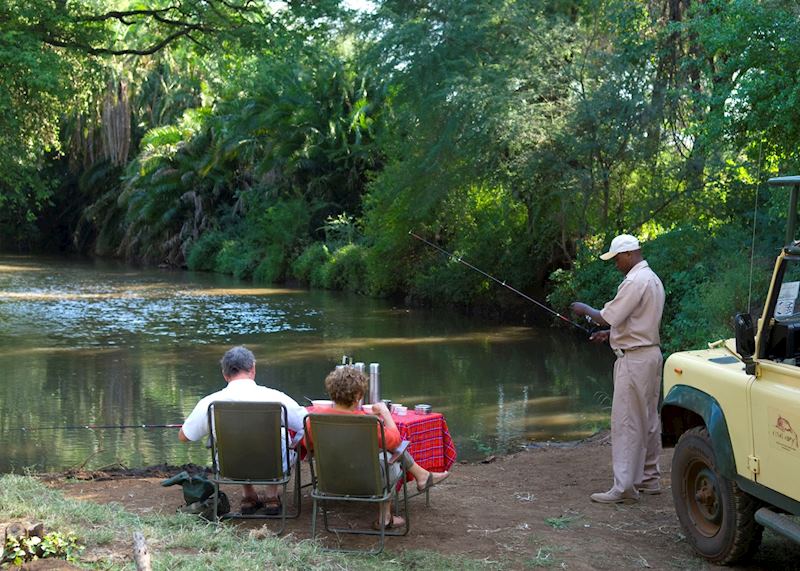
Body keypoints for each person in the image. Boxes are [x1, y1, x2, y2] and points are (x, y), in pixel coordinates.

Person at [570, 234, 665, 504]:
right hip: (650, 355)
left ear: (628, 254)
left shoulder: (635, 281)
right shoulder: (653, 279)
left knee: (626, 421)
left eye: (616, 259)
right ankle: (650, 478)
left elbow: (606, 315)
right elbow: (637, 322)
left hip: (634, 361)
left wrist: (584, 309)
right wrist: (610, 335)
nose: (615, 265)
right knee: (648, 418)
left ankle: (623, 488)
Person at [306, 366, 450, 529]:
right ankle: (385, 517)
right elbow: (396, 442)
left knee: (382, 451)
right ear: (358, 396)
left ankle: (422, 476)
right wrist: (385, 413)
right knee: (392, 453)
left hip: (330, 478)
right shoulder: (368, 424)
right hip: (369, 481)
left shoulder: (313, 419)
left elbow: (307, 444)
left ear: (331, 392)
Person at [178, 345, 306, 515]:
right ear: (253, 369)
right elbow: (304, 422)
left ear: (225, 374)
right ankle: (271, 496)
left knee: (231, 440)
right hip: (273, 464)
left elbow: (184, 437)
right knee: (281, 435)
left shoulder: (210, 403)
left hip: (230, 466)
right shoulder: (275, 398)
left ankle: (248, 495)